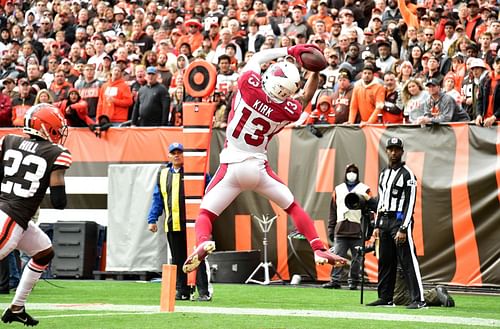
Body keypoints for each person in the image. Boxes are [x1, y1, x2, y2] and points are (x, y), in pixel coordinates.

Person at [182, 45, 347, 274]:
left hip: (231, 165)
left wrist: (290, 49)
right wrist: (315, 72)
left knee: (205, 213)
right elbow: (307, 97)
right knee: (293, 207)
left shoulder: (249, 86)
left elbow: (259, 57)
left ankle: (202, 242)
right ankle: (318, 248)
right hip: (258, 168)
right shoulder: (288, 110)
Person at [0, 103, 72, 326]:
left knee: (43, 252)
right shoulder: (56, 153)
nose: (59, 133)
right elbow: (59, 201)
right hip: (12, 217)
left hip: (12, 214)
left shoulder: (9, 141)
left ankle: (17, 307)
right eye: (57, 128)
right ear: (46, 127)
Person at [366, 137, 425, 309]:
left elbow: (410, 203)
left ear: (401, 151)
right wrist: (376, 225)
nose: (393, 152)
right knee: (385, 260)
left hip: (399, 220)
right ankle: (385, 297)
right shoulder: (384, 174)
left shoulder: (408, 175)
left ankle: (418, 299)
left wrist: (404, 227)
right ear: (386, 151)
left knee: (407, 260)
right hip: (384, 220)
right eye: (390, 149)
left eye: (396, 149)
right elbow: (382, 201)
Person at [147, 143, 211, 302]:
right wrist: (152, 219)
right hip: (172, 223)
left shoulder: (195, 172)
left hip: (193, 224)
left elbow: (210, 190)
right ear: (169, 155)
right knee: (178, 258)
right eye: (173, 153)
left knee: (198, 257)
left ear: (184, 155)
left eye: (180, 153)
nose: (177, 155)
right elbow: (158, 198)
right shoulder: (162, 174)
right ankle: (182, 291)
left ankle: (204, 292)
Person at [323, 164, 371, 290]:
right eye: (349, 171)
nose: (351, 174)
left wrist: (368, 230)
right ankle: (335, 281)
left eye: (354, 171)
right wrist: (331, 229)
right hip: (341, 228)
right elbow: (332, 211)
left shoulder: (365, 189)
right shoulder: (338, 189)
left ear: (358, 173)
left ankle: (353, 281)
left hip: (357, 230)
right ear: (345, 173)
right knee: (337, 256)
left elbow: (370, 211)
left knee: (357, 259)